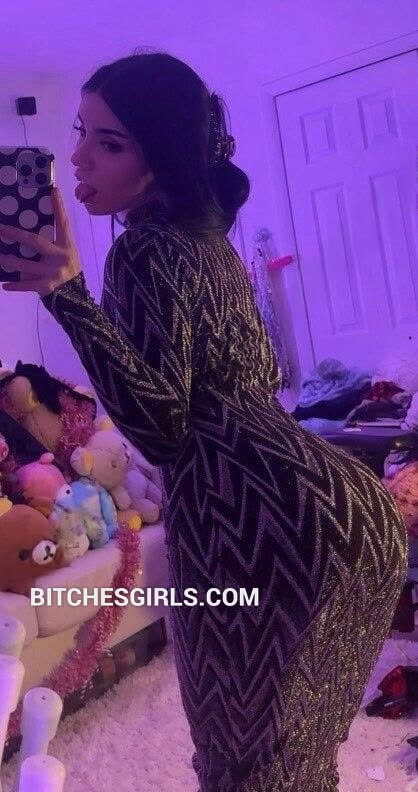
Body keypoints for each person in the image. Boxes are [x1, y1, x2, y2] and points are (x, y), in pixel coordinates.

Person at [0, 52, 408, 791]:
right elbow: (250, 383)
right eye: (81, 131)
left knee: (244, 765)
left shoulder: (144, 250)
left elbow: (162, 429)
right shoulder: (208, 245)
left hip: (250, 525)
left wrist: (67, 294)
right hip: (348, 513)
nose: (79, 157)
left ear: (160, 161)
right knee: (302, 754)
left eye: (110, 143)